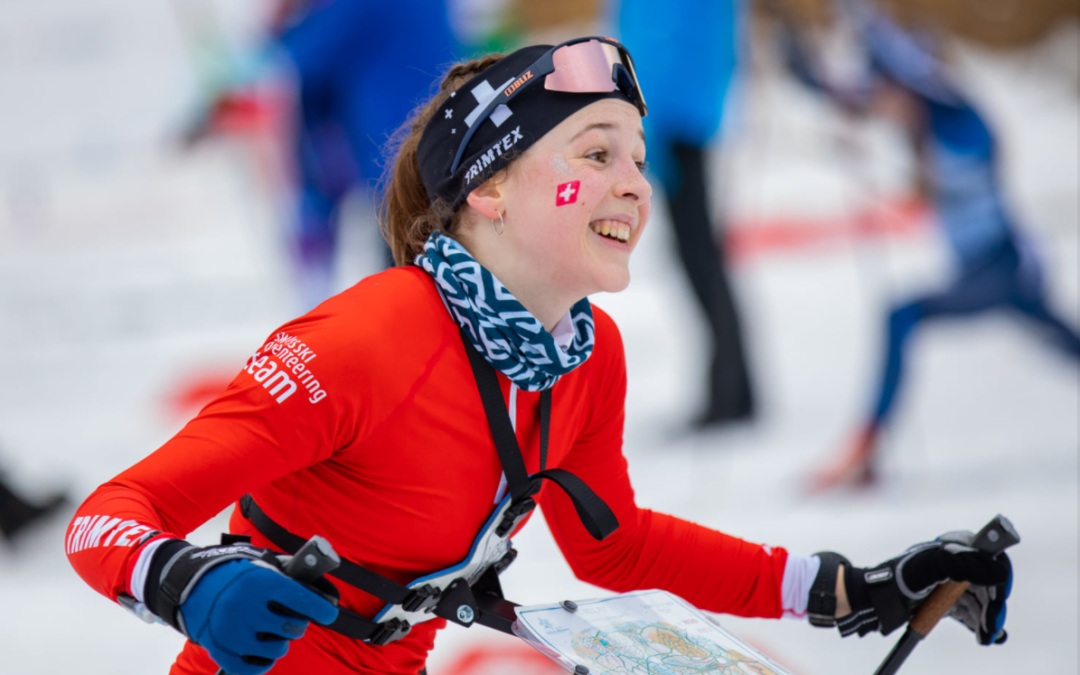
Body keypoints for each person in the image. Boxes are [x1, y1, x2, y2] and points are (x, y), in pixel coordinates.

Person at [66, 38, 1013, 675]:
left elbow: (617, 545)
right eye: (596, 153)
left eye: (638, 159)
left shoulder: (583, 357)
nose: (634, 186)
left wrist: (853, 584)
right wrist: (185, 579)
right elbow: (107, 519)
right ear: (490, 192)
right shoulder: (360, 342)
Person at [777, 3, 1080, 490]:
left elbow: (905, 69)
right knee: (1062, 339)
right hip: (996, 270)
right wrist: (799, 62)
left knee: (903, 314)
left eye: (891, 91)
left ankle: (866, 448)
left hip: (1000, 265)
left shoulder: (956, 116)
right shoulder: (920, 116)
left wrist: (856, 15)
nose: (886, 106)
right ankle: (867, 449)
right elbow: (855, 96)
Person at [618, 0, 756, 426]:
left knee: (699, 258)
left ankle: (729, 393)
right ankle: (736, 390)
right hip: (691, 117)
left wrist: (647, 127)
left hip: (677, 123)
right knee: (702, 256)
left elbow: (659, 48)